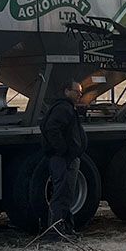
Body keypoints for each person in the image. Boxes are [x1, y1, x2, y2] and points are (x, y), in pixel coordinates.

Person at [40, 81, 87, 233]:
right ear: (66, 91)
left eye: (81, 93)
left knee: (66, 194)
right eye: (77, 92)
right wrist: (63, 150)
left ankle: (66, 228)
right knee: (61, 194)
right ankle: (56, 231)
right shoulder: (63, 108)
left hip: (66, 158)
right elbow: (50, 128)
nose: (79, 95)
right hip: (63, 159)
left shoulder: (66, 108)